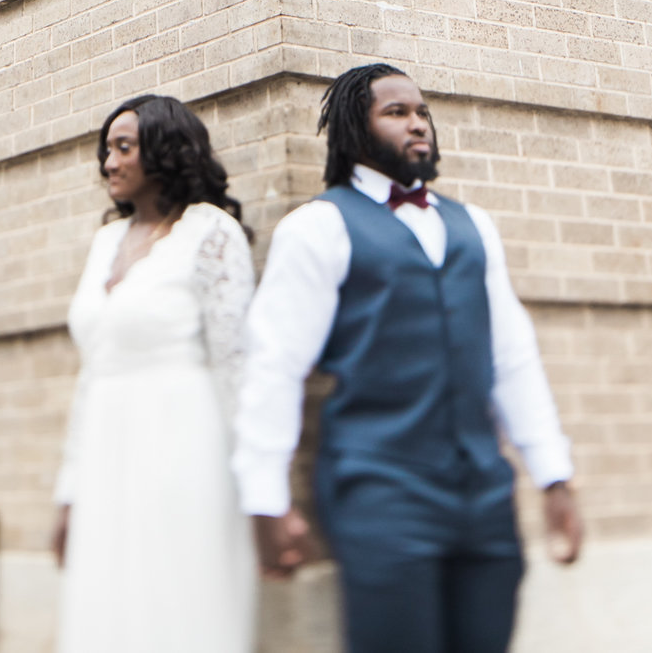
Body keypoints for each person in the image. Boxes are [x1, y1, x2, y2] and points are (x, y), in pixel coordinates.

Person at [232, 62, 582, 653]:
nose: (418, 124)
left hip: (483, 496)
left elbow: (512, 357)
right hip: (381, 492)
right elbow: (273, 365)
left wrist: (553, 476)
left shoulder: (475, 227)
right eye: (396, 112)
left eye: (422, 112)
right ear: (354, 131)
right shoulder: (318, 228)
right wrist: (264, 498)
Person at [53, 94, 258, 653]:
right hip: (104, 456)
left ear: (165, 150)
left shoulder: (211, 233)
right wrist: (69, 490)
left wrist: (259, 481)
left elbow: (236, 364)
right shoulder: (103, 243)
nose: (109, 163)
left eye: (123, 148)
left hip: (185, 452)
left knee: (180, 605)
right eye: (106, 150)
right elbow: (92, 372)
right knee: (105, 609)